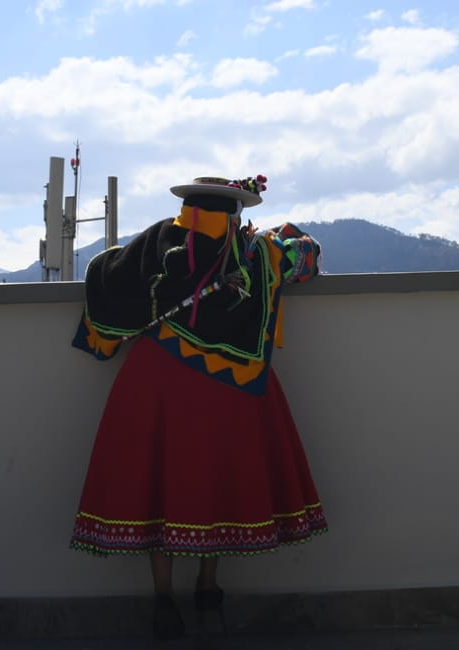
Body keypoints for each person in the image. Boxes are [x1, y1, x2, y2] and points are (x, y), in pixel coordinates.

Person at [68, 174, 326, 639]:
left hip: (155, 375)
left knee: (158, 478)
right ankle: (208, 587)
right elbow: (307, 256)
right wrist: (282, 236)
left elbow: (105, 272)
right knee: (215, 480)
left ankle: (163, 598)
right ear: (235, 212)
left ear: (187, 207)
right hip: (231, 381)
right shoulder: (257, 253)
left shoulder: (156, 244)